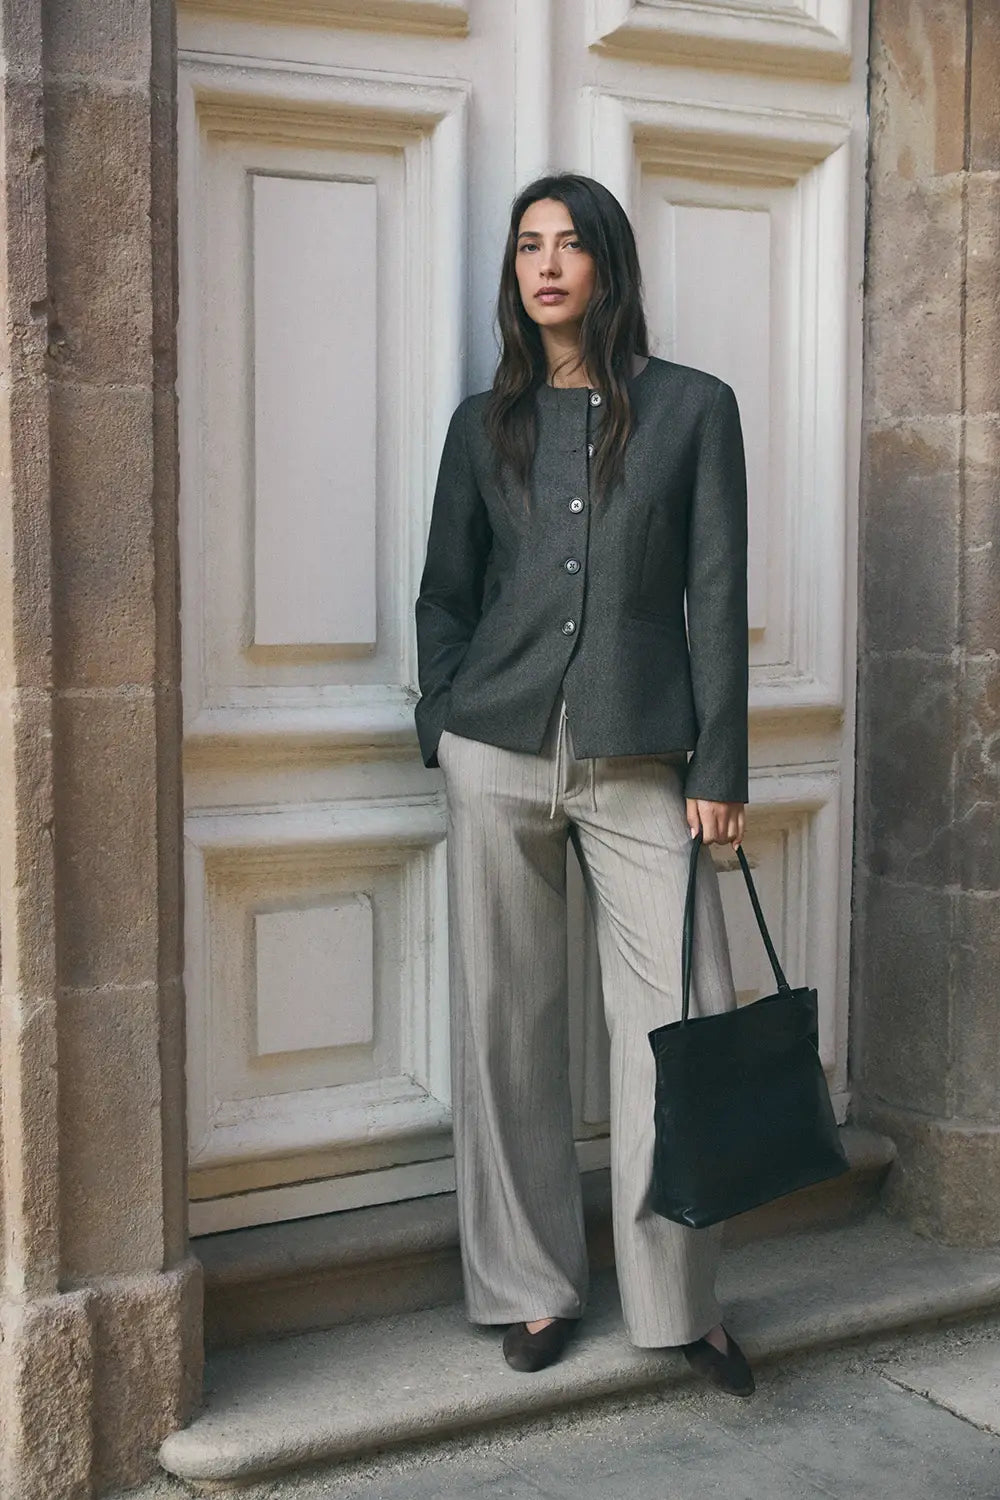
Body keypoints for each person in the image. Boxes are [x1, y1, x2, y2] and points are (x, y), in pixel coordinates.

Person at [413, 173, 753, 1398]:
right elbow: (445, 591)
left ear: (606, 262)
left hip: (641, 756)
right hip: (496, 748)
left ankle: (680, 1304)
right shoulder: (482, 426)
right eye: (526, 246)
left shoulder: (693, 408)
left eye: (567, 244)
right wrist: (442, 722)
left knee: (681, 1025)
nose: (545, 264)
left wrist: (719, 763)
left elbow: (716, 591)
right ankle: (530, 1284)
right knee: (505, 1030)